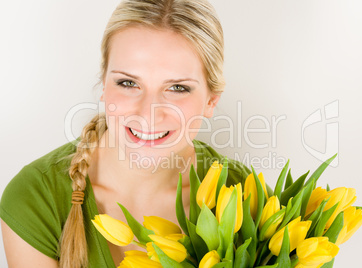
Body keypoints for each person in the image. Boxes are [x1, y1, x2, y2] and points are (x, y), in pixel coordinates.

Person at [0, 0, 252, 267]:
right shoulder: (37, 198)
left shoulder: (245, 196)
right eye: (128, 83)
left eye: (177, 88)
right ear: (104, 85)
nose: (148, 113)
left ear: (211, 101)